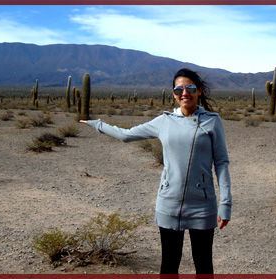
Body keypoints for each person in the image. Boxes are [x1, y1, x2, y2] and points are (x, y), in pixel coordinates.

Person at [79, 68, 232, 276]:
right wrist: (97, 124)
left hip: (203, 204)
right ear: (173, 93)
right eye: (179, 89)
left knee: (204, 266)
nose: (184, 93)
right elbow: (126, 135)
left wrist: (225, 204)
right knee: (169, 264)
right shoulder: (164, 121)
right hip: (169, 201)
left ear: (200, 91)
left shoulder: (212, 121)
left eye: (190, 88)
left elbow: (221, 163)